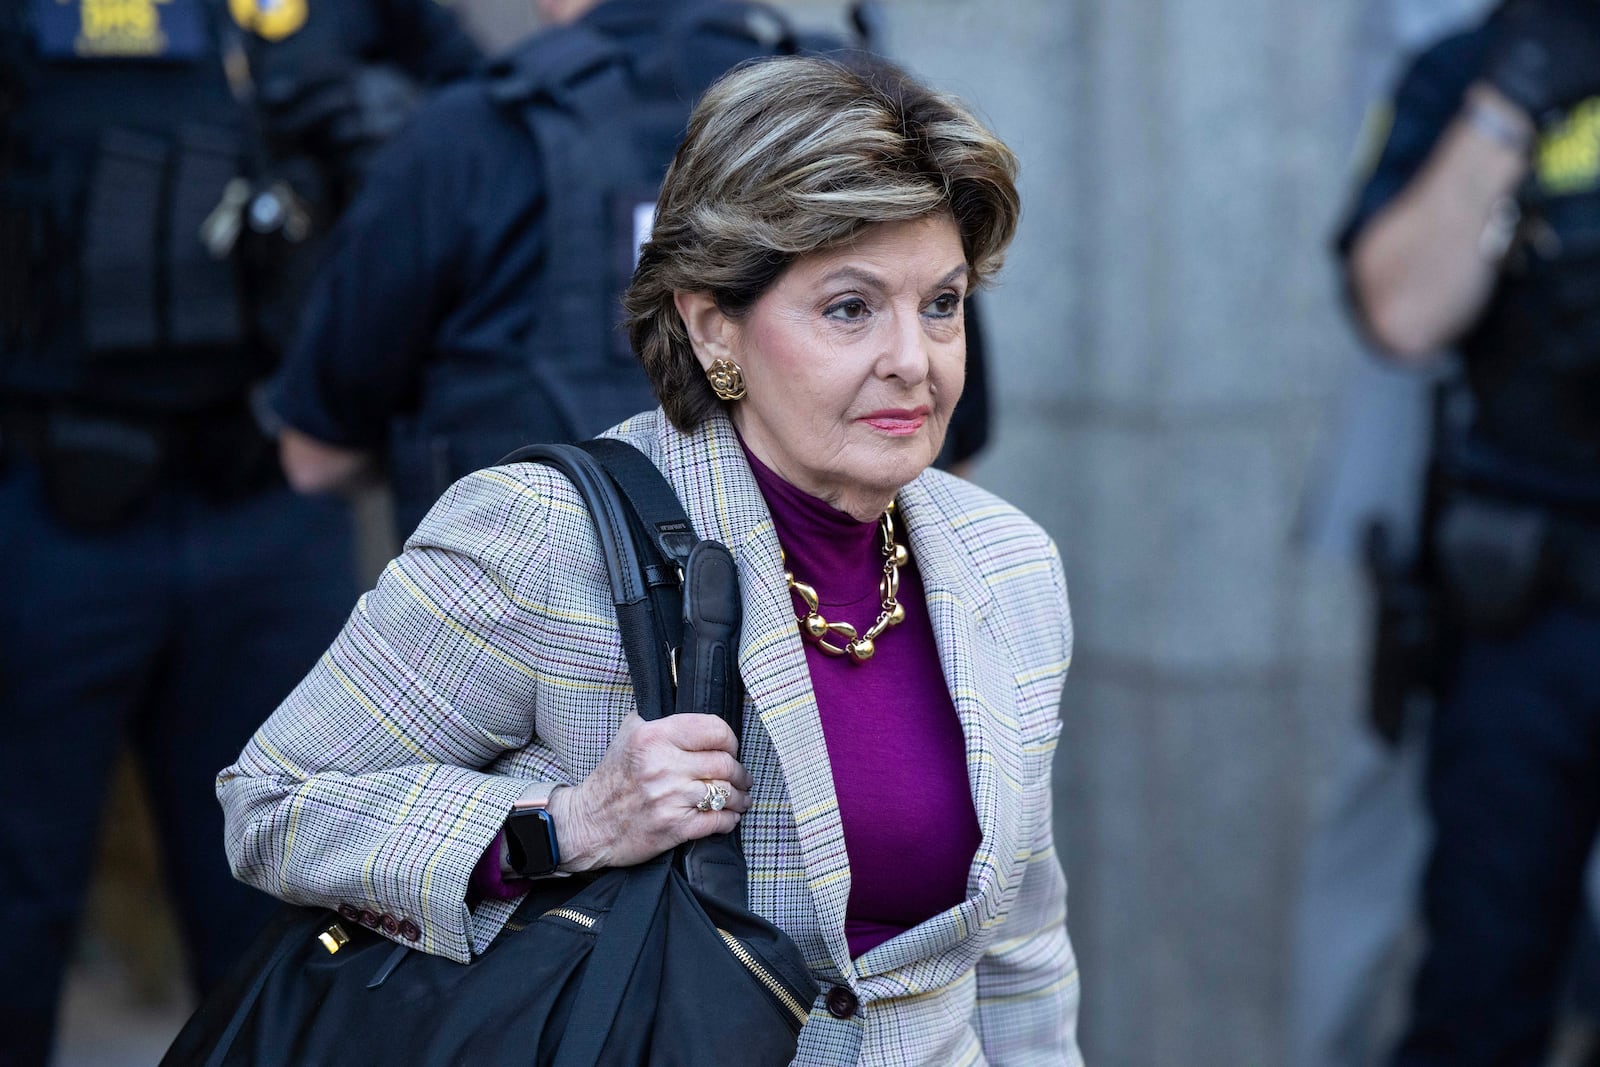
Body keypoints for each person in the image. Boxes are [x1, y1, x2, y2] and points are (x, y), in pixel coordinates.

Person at [218, 54, 1082, 1064]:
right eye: (850, 308)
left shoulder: (1007, 564)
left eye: (940, 303)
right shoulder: (542, 534)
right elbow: (273, 805)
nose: (914, 357)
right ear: (714, 324)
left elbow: (1020, 940)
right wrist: (565, 824)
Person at [0, 2, 477, 1063]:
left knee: (283, 905)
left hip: (270, 502)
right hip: (49, 504)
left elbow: (489, 116)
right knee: (16, 895)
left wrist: (396, 121)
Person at [265, 0, 850, 543]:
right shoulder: (863, 114)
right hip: (832, 632)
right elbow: (937, 443)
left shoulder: (464, 136)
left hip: (516, 640)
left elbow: (314, 458)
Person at [1338, 0, 1600, 1062]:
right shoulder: (1470, 71)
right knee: (1482, 987)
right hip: (1527, 617)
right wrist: (1507, 103)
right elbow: (1400, 311)